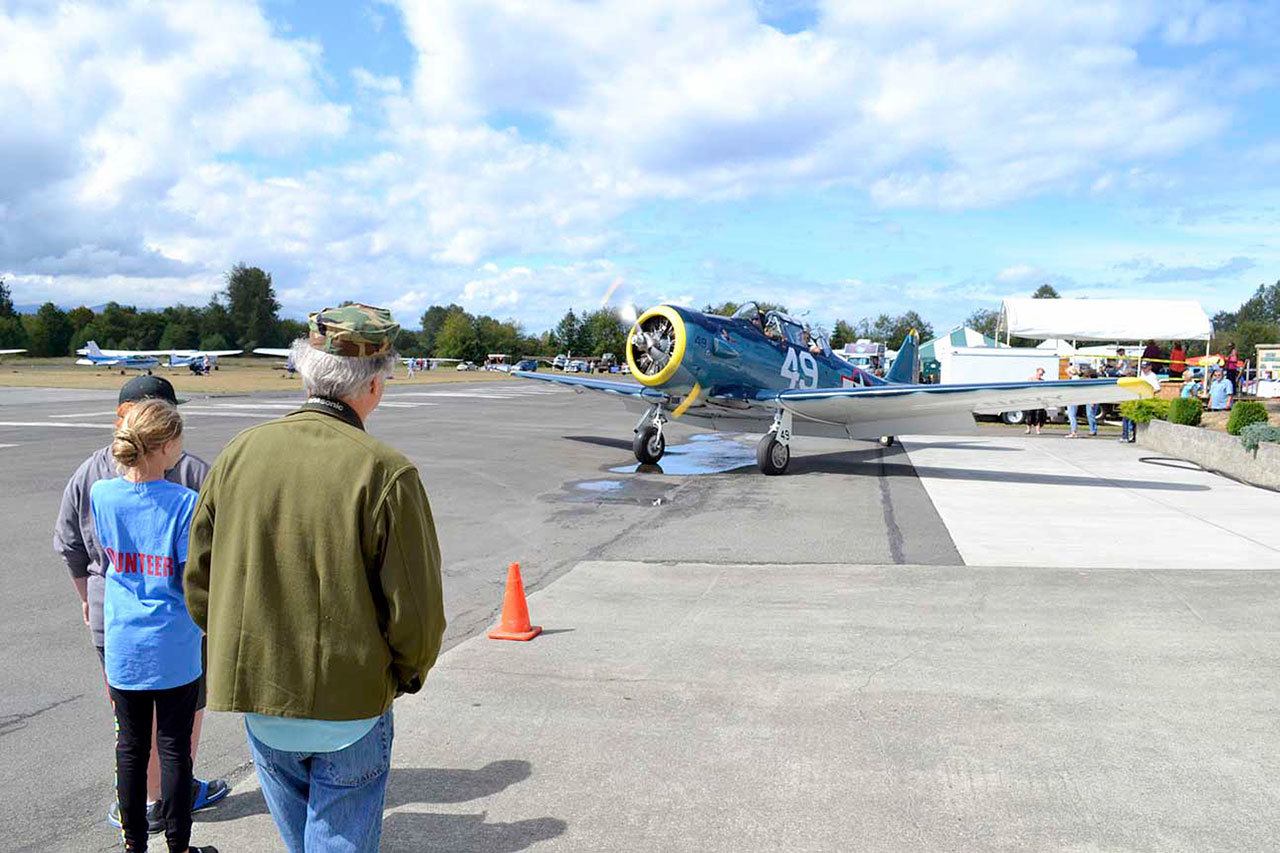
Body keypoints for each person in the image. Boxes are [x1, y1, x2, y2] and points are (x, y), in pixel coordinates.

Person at [186, 304, 446, 853]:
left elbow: (200, 584)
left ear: (306, 372)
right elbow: (418, 615)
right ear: (374, 385)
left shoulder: (237, 455)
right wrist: (402, 677)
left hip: (262, 703)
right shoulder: (385, 471)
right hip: (350, 710)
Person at [53, 376, 229, 833]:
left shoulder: (92, 478)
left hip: (115, 618)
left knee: (129, 727)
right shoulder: (192, 478)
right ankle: (174, 806)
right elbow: (211, 559)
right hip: (178, 624)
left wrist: (87, 603)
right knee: (181, 720)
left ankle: (139, 808)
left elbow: (71, 544)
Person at [89, 399, 218, 853]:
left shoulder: (102, 495)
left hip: (125, 641)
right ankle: (179, 846)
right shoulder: (184, 504)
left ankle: (134, 844)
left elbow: (108, 558)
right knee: (174, 749)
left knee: (130, 747)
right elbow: (191, 578)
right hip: (173, 644)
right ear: (164, 447)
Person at [1024, 367, 1047, 435]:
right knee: (1029, 415)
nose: (1040, 375)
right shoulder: (1030, 379)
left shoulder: (1042, 381)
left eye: (1042, 374)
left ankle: (1038, 430)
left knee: (1038, 415)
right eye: (1040, 374)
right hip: (1031, 400)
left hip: (1039, 400)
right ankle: (1028, 429)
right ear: (1037, 372)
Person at [1064, 364, 1081, 438]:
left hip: (1072, 399)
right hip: (1074, 399)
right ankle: (1073, 431)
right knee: (1072, 415)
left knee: (1071, 416)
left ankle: (1073, 432)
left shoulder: (1074, 379)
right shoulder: (1077, 378)